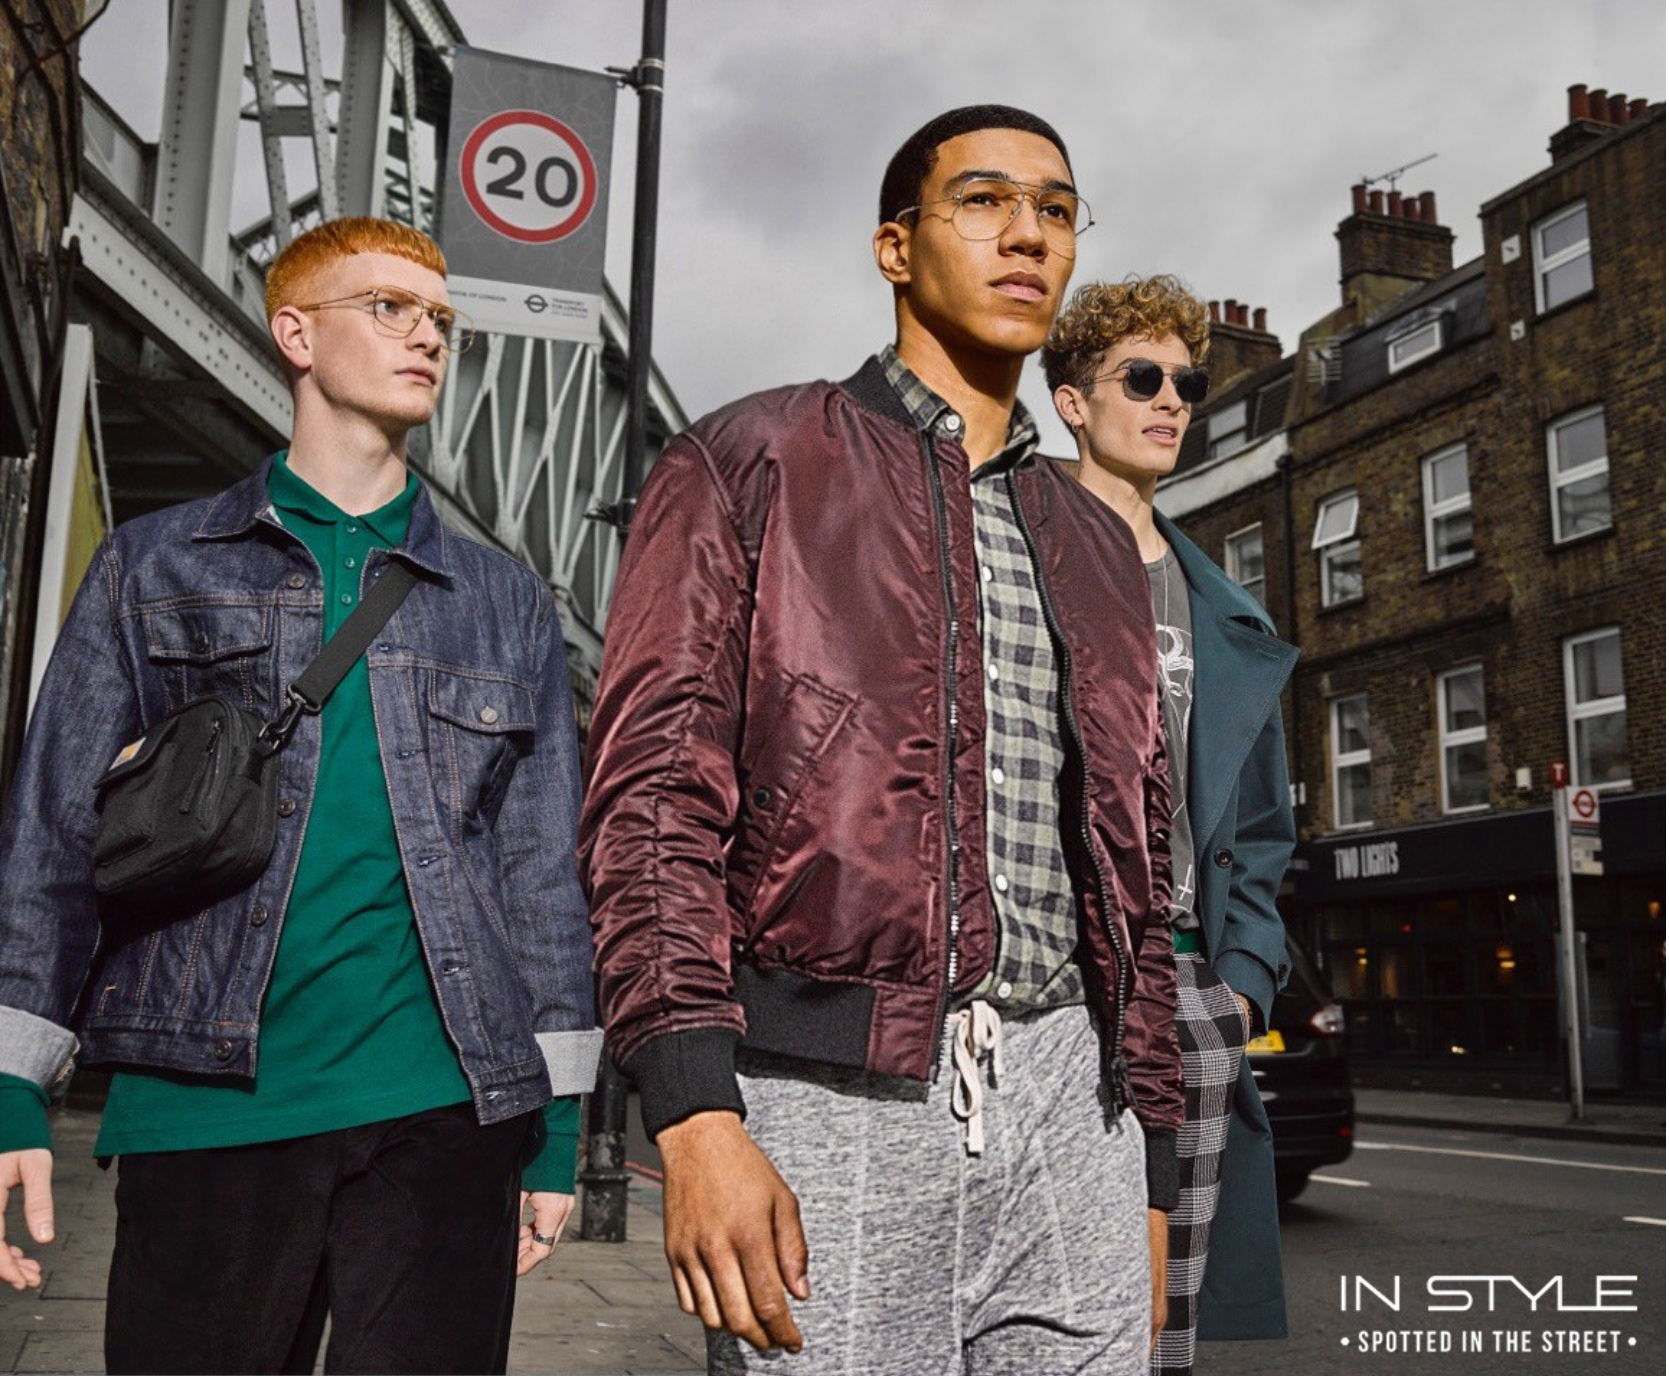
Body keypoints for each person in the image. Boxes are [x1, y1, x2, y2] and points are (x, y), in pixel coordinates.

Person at [581, 106, 1182, 1374]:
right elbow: (651, 802)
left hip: (1076, 1104)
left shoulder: (1094, 538)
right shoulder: (750, 458)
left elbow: (1135, 861)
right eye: (984, 200)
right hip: (831, 1095)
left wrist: (1150, 1161)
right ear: (894, 247)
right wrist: (692, 1108)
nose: (1028, 234)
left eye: (1056, 209)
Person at [0, 217, 602, 1375]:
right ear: (295, 333)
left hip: (446, 1113)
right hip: (207, 1100)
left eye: (440, 318)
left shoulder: (504, 600)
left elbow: (538, 872)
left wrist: (559, 1119)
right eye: (388, 307)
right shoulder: (155, 563)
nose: (426, 335)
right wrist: (14, 1078)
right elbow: (54, 826)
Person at [1042, 275, 1299, 1373]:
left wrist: (1240, 980)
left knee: (1160, 1325)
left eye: (1185, 384)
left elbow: (1263, 824)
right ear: (1071, 401)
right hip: (1049, 983)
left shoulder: (1224, 610)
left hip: (1190, 984)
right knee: (1041, 1294)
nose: (1169, 401)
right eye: (1139, 377)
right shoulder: (1015, 554)